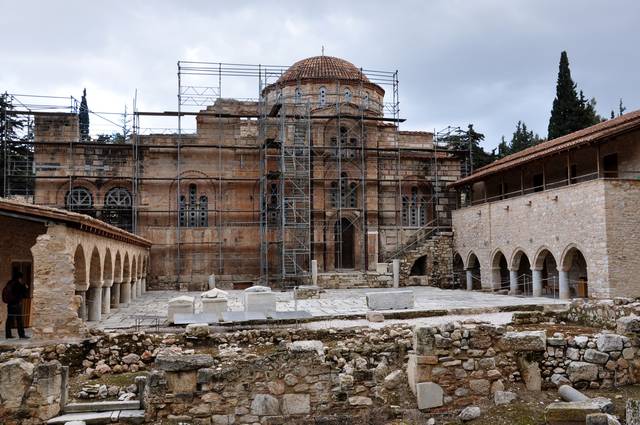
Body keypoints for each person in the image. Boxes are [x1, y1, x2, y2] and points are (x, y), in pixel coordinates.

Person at [3, 271, 29, 339]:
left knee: (9, 320)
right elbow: (24, 295)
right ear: (19, 278)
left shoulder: (9, 283)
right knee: (19, 320)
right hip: (17, 304)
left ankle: (8, 335)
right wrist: (25, 287)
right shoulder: (18, 284)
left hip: (10, 305)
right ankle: (21, 335)